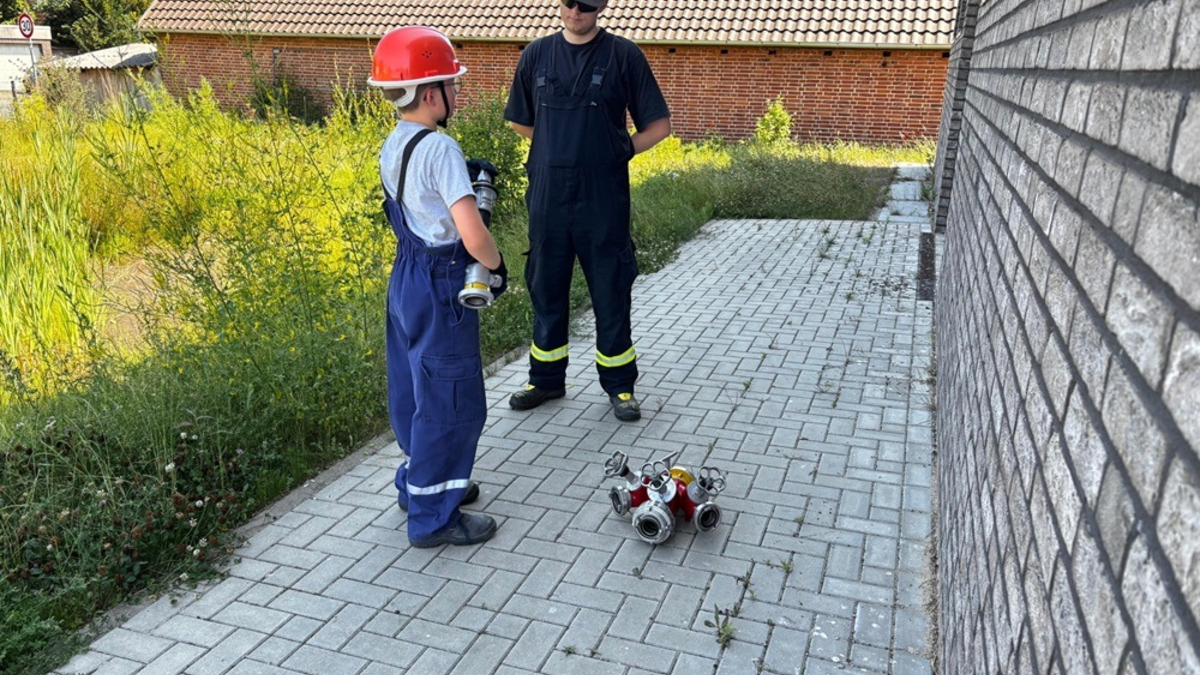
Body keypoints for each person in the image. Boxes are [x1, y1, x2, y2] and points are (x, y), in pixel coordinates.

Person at [368, 26, 508, 547]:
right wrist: (495, 269)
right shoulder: (443, 149)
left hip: (406, 277)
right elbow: (472, 234)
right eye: (452, 84)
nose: (456, 92)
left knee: (414, 388)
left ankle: (417, 484)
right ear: (431, 93)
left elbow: (420, 209)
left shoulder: (395, 143)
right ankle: (433, 518)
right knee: (451, 399)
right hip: (442, 281)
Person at [504, 0, 671, 422]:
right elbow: (520, 121)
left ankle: (620, 387)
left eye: (587, 3)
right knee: (546, 289)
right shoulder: (535, 55)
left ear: (603, 5)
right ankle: (545, 379)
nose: (576, 10)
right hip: (547, 199)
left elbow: (659, 125)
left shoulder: (623, 56)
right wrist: (555, 147)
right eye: (568, 1)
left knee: (611, 291)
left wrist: (616, 152)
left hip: (602, 199)